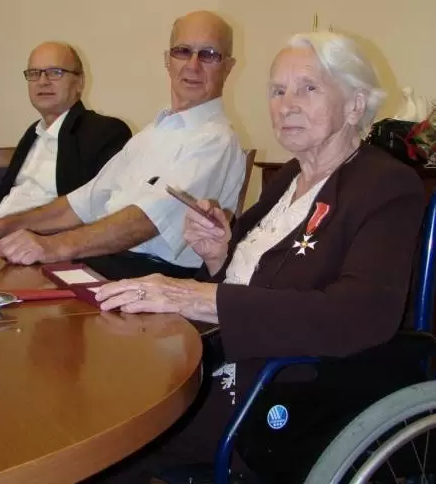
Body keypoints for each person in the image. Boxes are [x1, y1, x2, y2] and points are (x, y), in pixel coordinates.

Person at [92, 32, 426, 483]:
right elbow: (252, 282)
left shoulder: (386, 185)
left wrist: (195, 296)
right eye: (277, 90)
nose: (287, 105)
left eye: (308, 88)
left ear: (354, 105)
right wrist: (218, 258)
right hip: (222, 357)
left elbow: (360, 315)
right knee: (101, 395)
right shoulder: (287, 178)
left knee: (113, 445)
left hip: (284, 387)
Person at [0, 11, 246, 280]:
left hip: (153, 279)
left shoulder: (216, 140)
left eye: (209, 55)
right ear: (167, 60)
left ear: (228, 67)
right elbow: (81, 203)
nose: (193, 65)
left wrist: (52, 246)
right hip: (106, 264)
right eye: (183, 51)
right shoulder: (151, 134)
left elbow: (145, 221)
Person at [0, 42, 132, 219]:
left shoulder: (105, 131)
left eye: (55, 72)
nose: (42, 82)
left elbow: (97, 205)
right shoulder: (33, 133)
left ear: (79, 82)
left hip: (41, 233)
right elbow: (3, 193)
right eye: (34, 73)